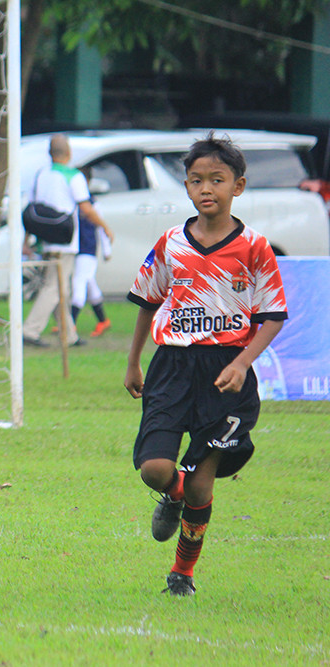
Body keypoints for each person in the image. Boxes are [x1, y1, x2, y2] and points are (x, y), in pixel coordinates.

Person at [124, 132, 287, 597]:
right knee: (155, 469)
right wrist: (134, 362)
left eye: (217, 179)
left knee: (202, 484)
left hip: (225, 374)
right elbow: (146, 302)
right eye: (196, 181)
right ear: (187, 187)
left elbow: (273, 316)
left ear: (238, 185)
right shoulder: (171, 244)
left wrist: (243, 362)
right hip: (172, 365)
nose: (206, 189)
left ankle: (182, 574)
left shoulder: (255, 247)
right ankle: (170, 495)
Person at [22, 134, 112, 347]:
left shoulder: (40, 174)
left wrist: (26, 241)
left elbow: (32, 209)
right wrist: (105, 227)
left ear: (49, 153)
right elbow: (86, 208)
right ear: (69, 153)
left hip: (44, 239)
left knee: (61, 288)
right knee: (54, 287)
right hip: (65, 239)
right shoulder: (74, 176)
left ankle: (68, 335)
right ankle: (29, 330)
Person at [70, 170, 112, 338]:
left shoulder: (93, 204)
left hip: (87, 249)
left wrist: (107, 250)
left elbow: (102, 228)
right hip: (74, 249)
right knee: (89, 284)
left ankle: (70, 323)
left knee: (79, 282)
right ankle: (103, 320)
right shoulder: (71, 202)